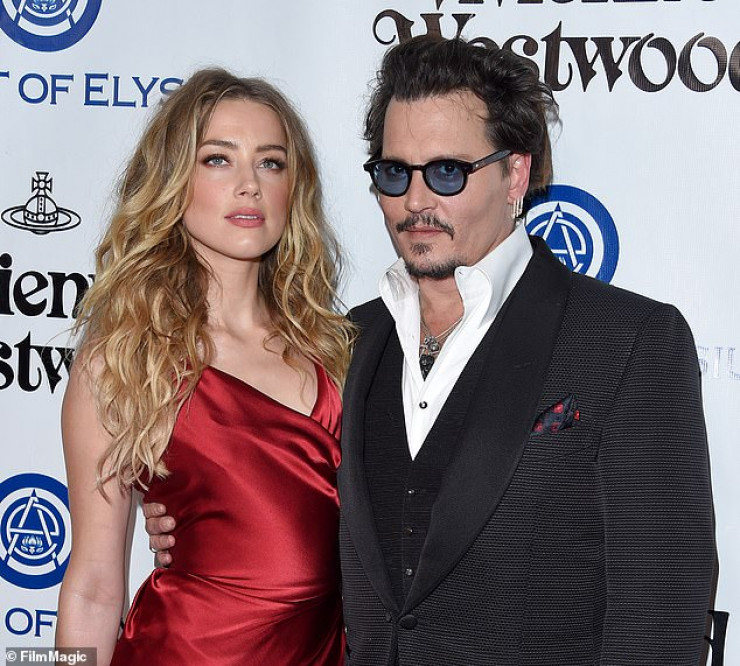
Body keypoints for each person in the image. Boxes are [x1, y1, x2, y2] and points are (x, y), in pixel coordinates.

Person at [147, 37, 717, 665]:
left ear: (515, 174)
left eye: (448, 172)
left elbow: (661, 616)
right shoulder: (345, 345)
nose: (417, 202)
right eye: (396, 173)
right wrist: (196, 521)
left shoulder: (628, 340)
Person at [56, 68, 353, 665]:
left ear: (294, 187)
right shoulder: (123, 361)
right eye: (218, 159)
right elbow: (92, 587)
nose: (249, 186)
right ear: (173, 181)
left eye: (271, 163)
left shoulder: (341, 351)